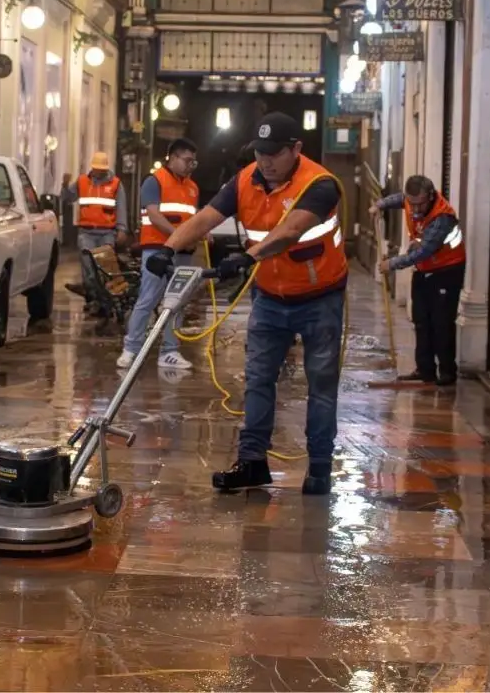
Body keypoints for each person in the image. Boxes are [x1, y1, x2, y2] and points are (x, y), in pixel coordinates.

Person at [147, 112, 346, 495]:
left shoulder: (320, 185)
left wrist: (249, 256)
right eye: (260, 152)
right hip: (271, 297)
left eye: (274, 153)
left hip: (320, 298)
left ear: (296, 149)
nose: (266, 161)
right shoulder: (244, 181)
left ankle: (319, 468)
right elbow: (206, 216)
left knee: (320, 384)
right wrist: (168, 249)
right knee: (258, 379)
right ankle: (252, 462)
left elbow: (290, 230)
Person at [370, 175, 466, 386]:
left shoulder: (442, 217)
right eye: (411, 204)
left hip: (446, 271)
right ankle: (425, 370)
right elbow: (399, 199)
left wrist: (392, 264)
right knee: (421, 321)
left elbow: (423, 252)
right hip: (425, 270)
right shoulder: (412, 200)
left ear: (430, 196)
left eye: (419, 204)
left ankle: (447, 373)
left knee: (440, 323)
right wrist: (380, 205)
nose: (413, 209)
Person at [117, 138, 200, 371]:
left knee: (178, 302)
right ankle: (131, 349)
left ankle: (169, 352)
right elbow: (154, 216)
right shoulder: (154, 182)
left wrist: (201, 232)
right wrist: (179, 236)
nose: (190, 165)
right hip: (157, 250)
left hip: (183, 252)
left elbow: (193, 218)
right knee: (149, 298)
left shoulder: (192, 187)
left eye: (194, 162)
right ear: (172, 158)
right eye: (186, 160)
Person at [62, 151, 129, 313]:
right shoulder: (82, 182)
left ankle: (106, 302)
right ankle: (93, 300)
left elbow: (121, 208)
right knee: (89, 269)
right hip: (87, 232)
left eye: (102, 169)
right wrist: (64, 186)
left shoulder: (115, 184)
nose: (99, 172)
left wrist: (121, 229)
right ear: (93, 168)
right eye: (97, 169)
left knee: (105, 269)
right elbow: (67, 199)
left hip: (107, 233)